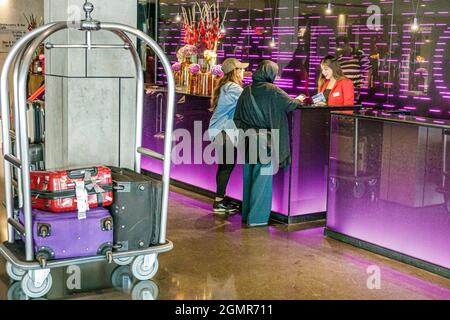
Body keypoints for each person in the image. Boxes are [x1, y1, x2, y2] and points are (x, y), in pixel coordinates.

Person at [233, 60, 302, 227]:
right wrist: (300, 99)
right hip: (265, 141)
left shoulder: (247, 90)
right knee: (262, 180)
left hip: (247, 139)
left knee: (249, 177)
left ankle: (246, 215)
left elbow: (237, 117)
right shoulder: (274, 91)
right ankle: (257, 219)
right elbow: (291, 105)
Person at [208, 58, 249, 214]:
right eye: (241, 69)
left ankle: (220, 198)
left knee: (224, 166)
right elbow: (249, 98)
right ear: (235, 71)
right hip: (223, 132)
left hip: (220, 131)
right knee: (227, 166)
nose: (244, 71)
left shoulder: (225, 86)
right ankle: (218, 203)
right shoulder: (233, 88)